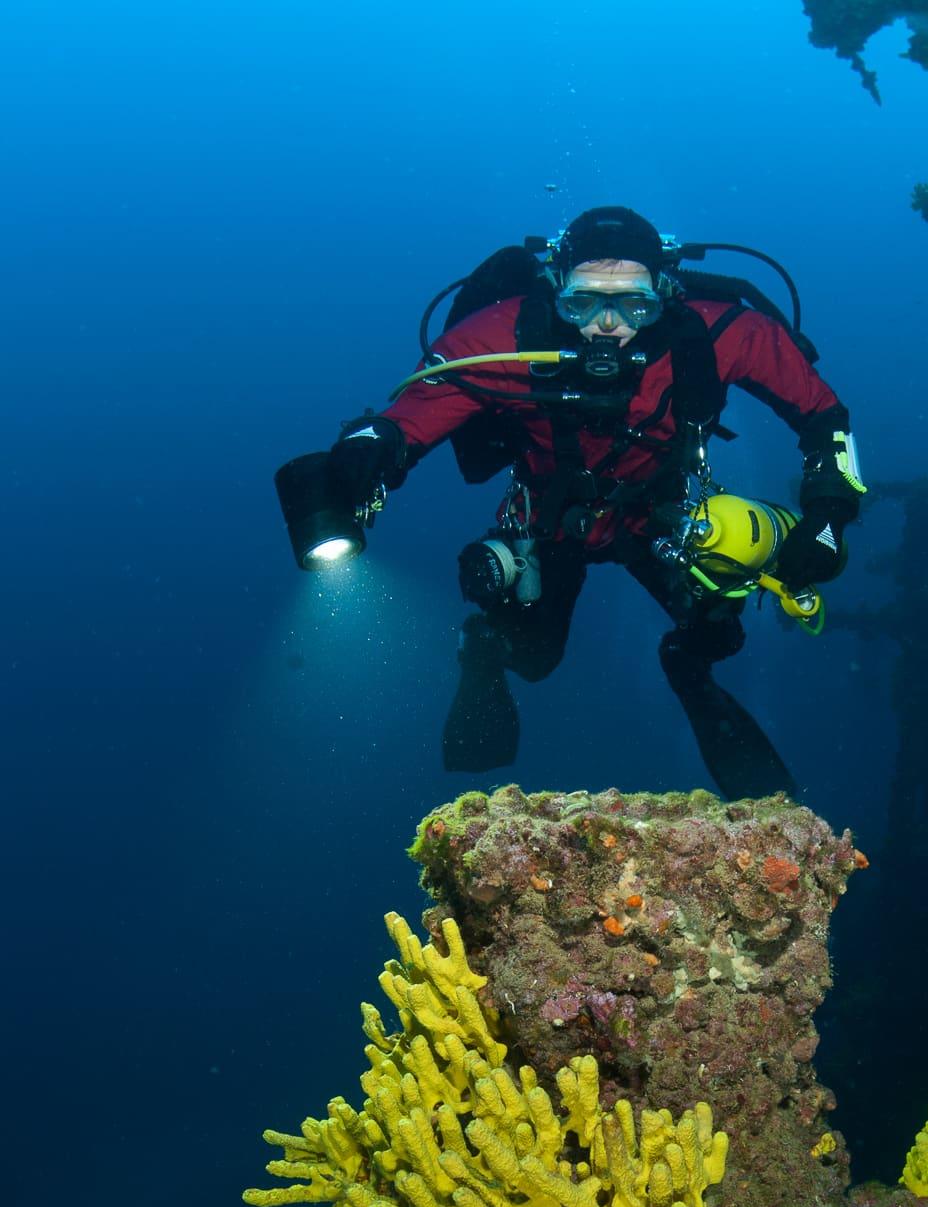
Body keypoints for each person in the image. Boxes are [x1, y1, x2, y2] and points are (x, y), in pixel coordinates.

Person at [322, 205, 864, 798]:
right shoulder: (502, 339)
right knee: (535, 655)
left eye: (634, 305)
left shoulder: (720, 334)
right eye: (583, 303)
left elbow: (823, 417)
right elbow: (409, 417)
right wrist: (370, 447)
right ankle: (482, 648)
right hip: (550, 519)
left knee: (719, 631)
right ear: (556, 289)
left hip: (660, 515)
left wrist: (828, 514)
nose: (608, 326)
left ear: (665, 292)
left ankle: (686, 667)